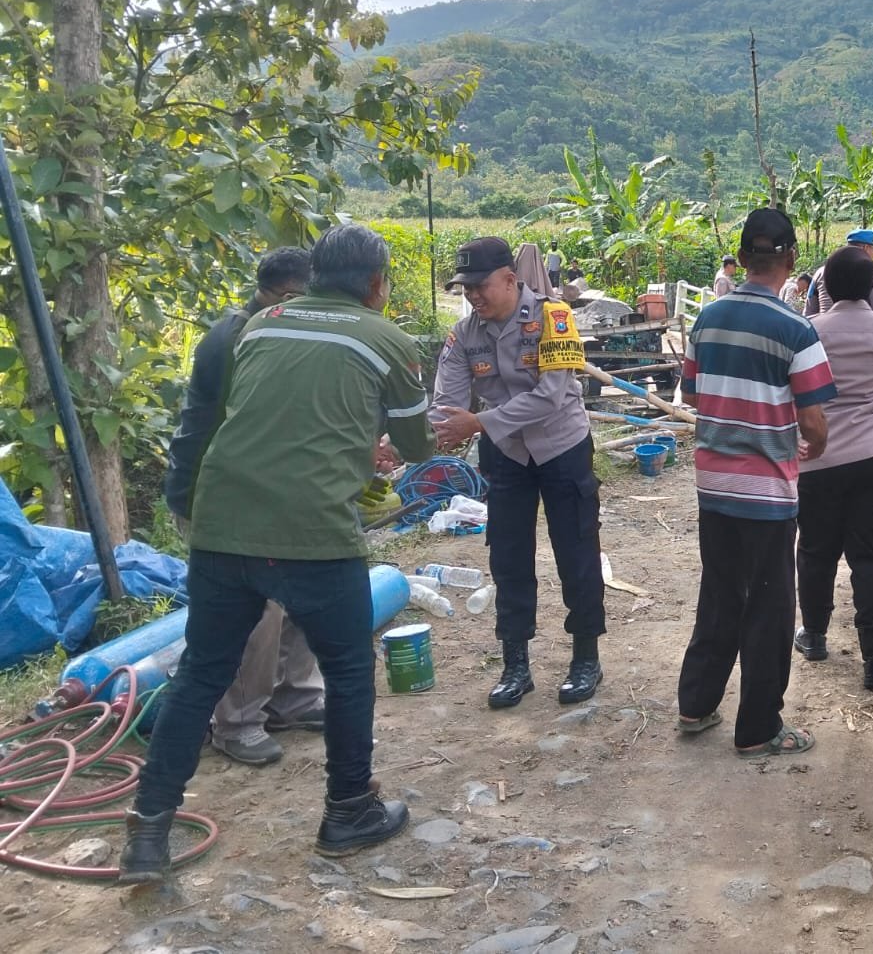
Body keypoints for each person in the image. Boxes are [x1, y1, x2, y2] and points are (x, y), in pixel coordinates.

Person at [120, 225, 435, 883]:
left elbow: (263, 416)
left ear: (314, 276)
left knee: (201, 672)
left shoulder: (259, 326)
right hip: (312, 530)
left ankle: (147, 834)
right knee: (349, 668)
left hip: (221, 523)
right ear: (377, 284)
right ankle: (348, 811)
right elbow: (417, 446)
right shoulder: (387, 338)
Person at [675, 208, 836, 758]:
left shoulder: (707, 318)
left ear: (742, 258)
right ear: (791, 260)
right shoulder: (797, 329)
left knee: (719, 593)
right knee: (769, 608)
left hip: (714, 484)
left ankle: (696, 705)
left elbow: (692, 394)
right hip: (766, 491)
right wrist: (813, 443)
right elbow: (813, 420)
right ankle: (759, 728)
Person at [163, 248, 326, 768]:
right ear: (288, 296)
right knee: (256, 606)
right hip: (219, 494)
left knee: (305, 584)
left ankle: (293, 697)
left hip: (268, 488)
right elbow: (264, 426)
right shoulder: (240, 340)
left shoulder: (272, 331)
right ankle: (236, 722)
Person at [433, 237, 605, 710]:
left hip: (561, 446)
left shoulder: (554, 317)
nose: (473, 296)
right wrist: (402, 441)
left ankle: (585, 657)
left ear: (510, 279)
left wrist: (478, 423)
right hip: (507, 452)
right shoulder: (463, 334)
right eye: (466, 288)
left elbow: (551, 397)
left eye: (480, 286)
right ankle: (515, 665)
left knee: (577, 553)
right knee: (508, 558)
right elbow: (446, 407)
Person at [795, 248, 873, 690]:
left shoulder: (808, 331)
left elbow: (795, 394)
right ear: (871, 286)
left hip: (819, 458)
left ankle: (814, 636)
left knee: (816, 550)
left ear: (824, 286)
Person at [804, 229, 873, 315]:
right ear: (865, 248)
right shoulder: (870, 274)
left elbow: (809, 310)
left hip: (822, 323)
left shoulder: (820, 272)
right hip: (861, 324)